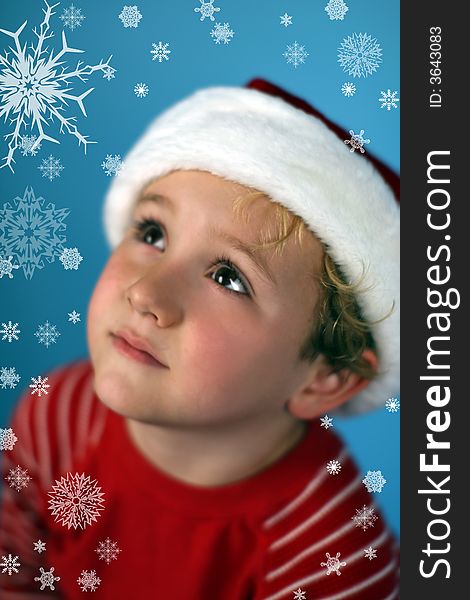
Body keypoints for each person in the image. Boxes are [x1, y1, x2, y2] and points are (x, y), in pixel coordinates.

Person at [0, 79, 400, 598]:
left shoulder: (333, 554)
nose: (148, 293)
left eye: (229, 277)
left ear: (325, 378)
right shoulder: (57, 414)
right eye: (153, 234)